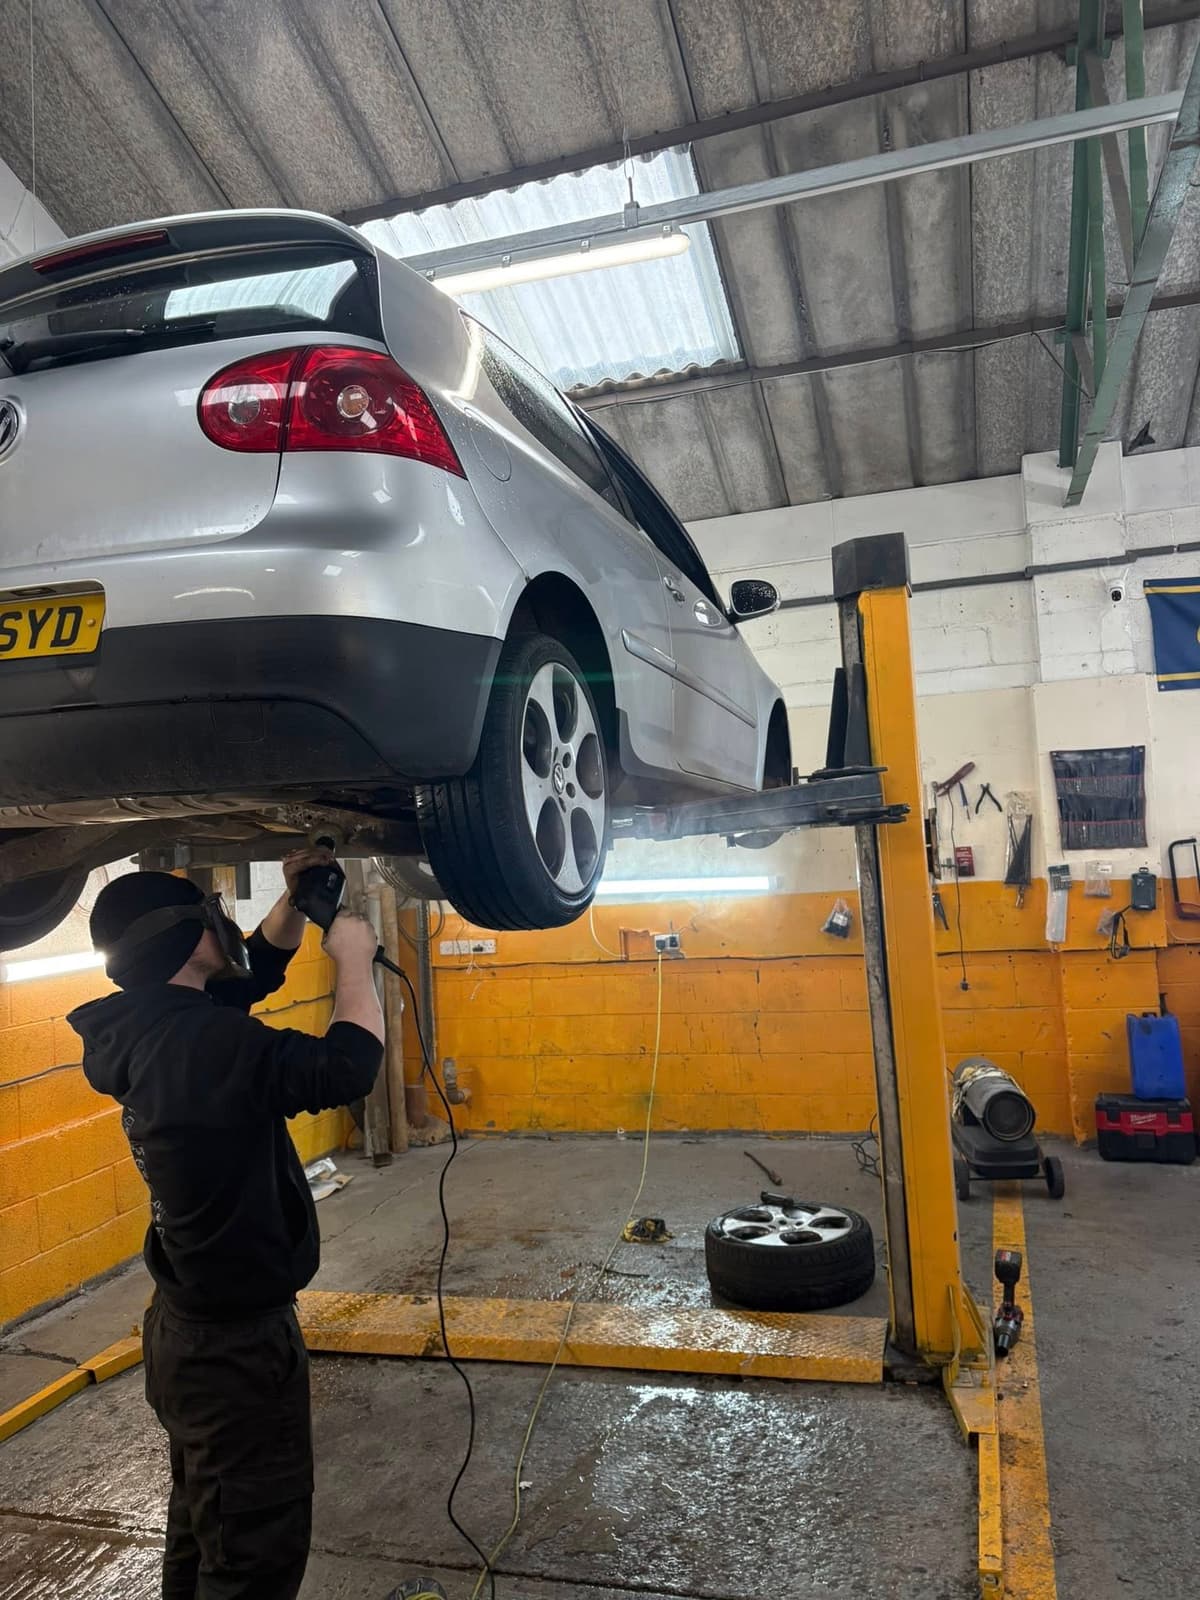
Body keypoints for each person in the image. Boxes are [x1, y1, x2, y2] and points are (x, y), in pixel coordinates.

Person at [68, 849, 385, 1600]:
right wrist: (353, 960)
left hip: (185, 1330)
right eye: (209, 917)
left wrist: (291, 906)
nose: (224, 924)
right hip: (236, 1353)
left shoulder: (143, 1027)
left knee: (206, 1523)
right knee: (253, 1557)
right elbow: (346, 1069)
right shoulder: (207, 1045)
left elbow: (244, 985)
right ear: (184, 944)